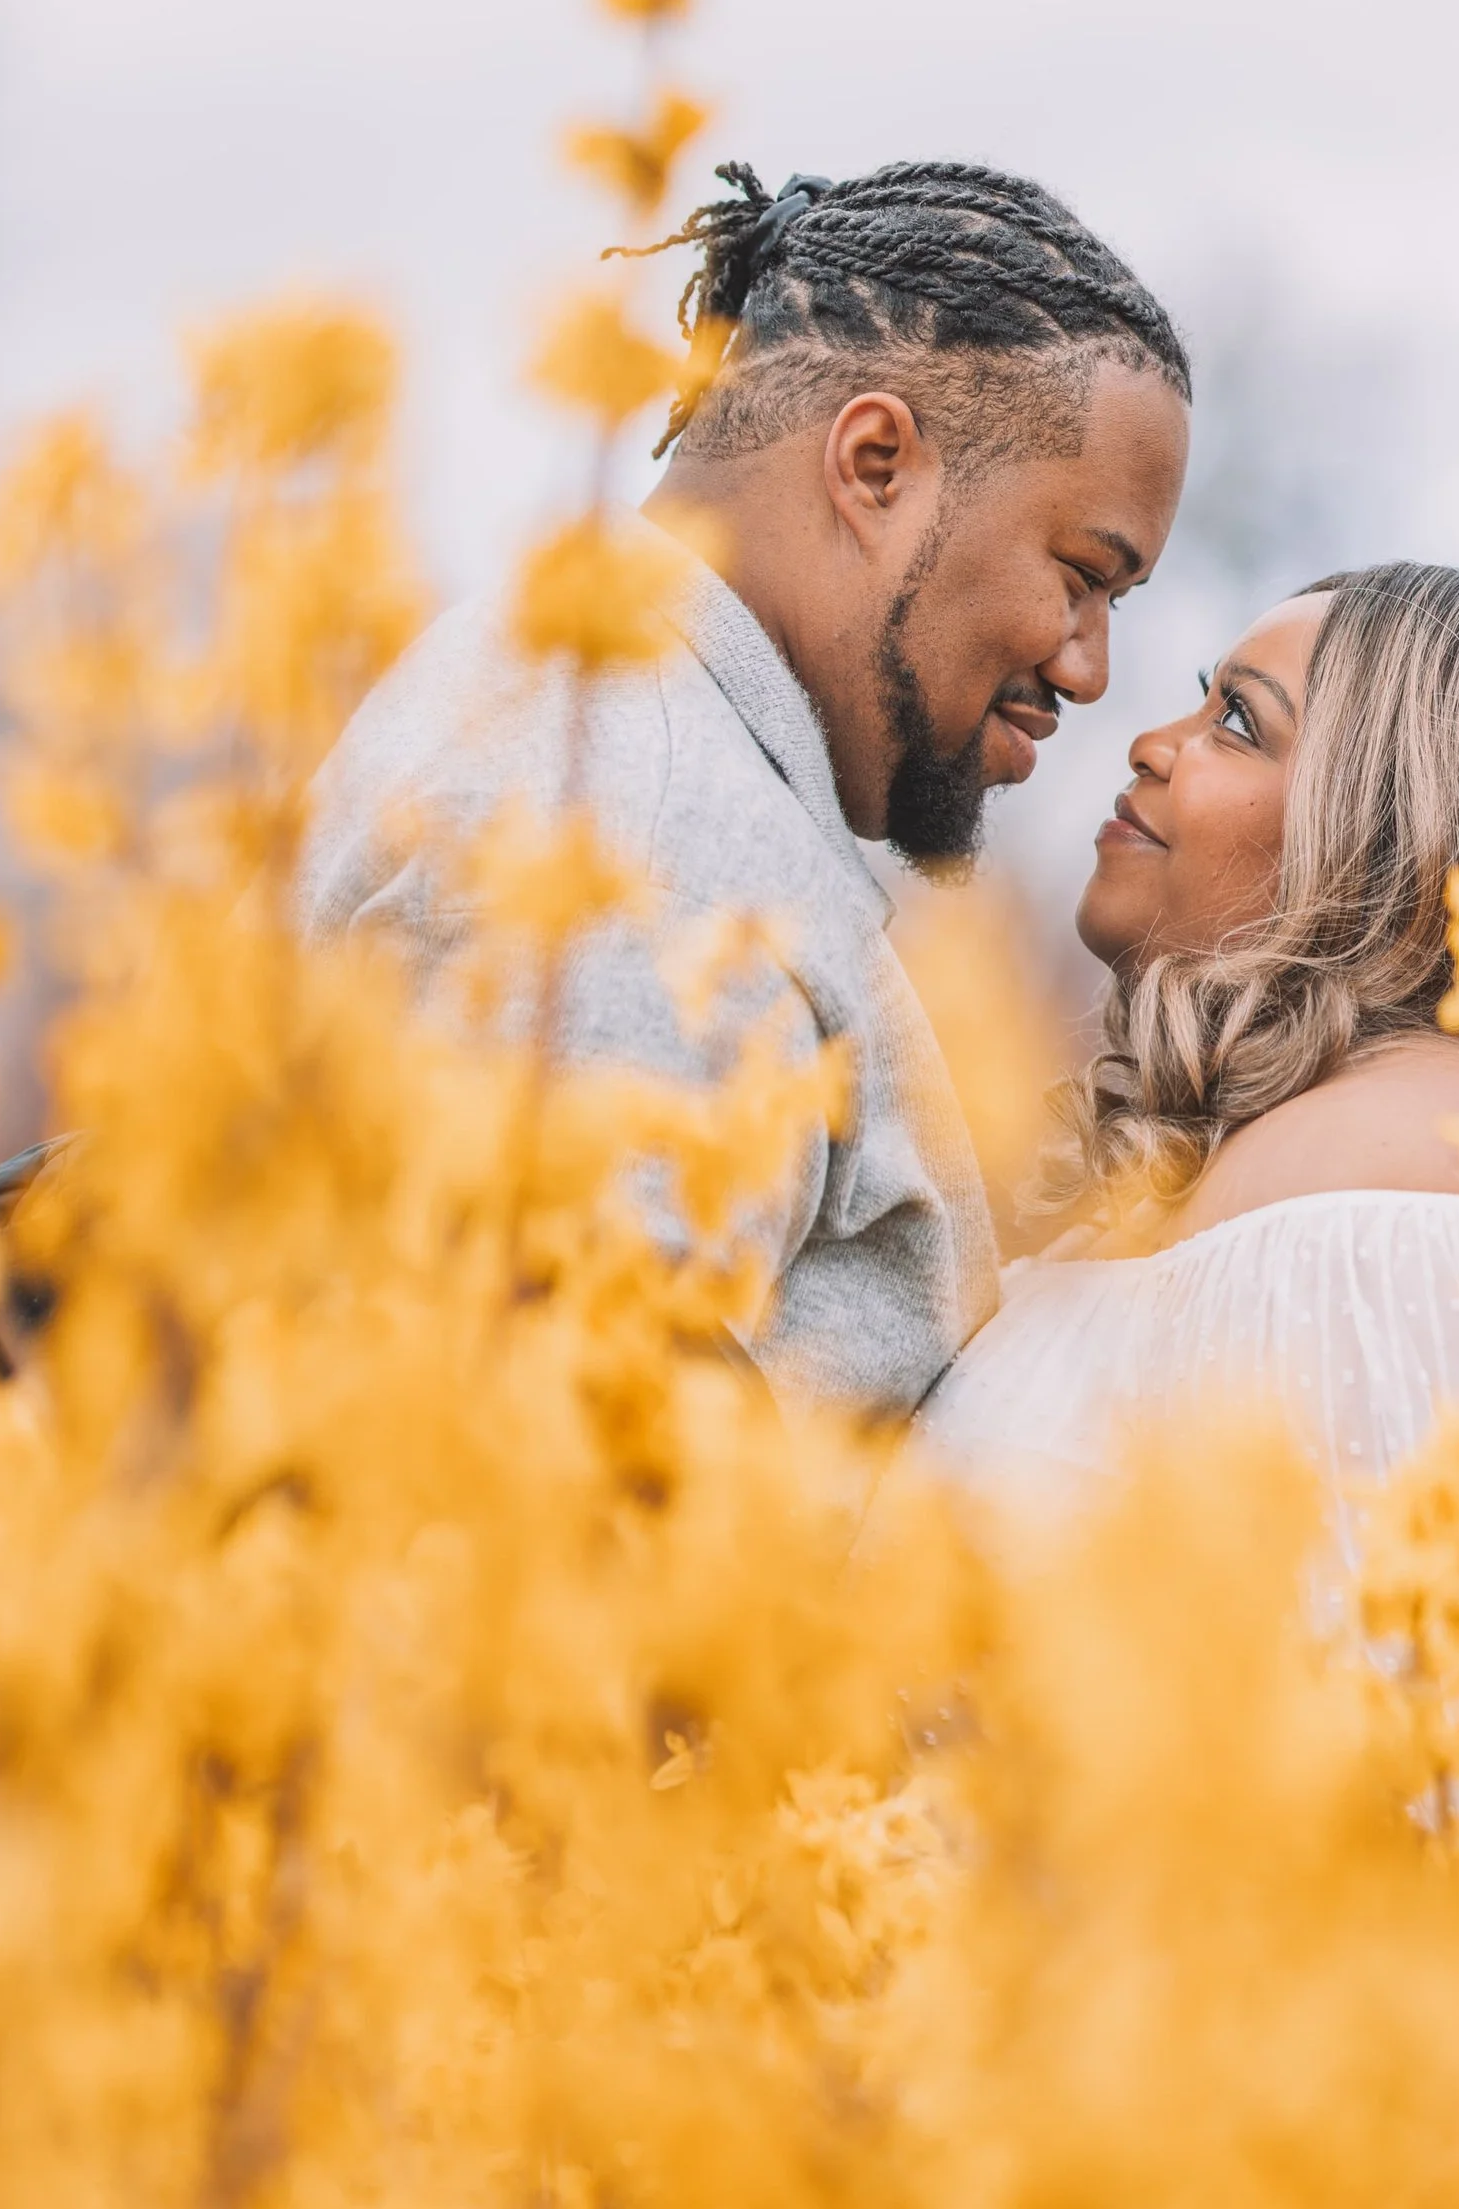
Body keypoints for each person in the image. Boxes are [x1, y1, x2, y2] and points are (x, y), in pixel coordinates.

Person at [300, 161, 1191, 1420]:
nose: (1091, 668)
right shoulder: (649, 843)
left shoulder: (577, 712)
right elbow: (565, 1501)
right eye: (1080, 575)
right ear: (875, 464)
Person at [911, 559, 1459, 1511]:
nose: (1150, 745)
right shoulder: (1264, 1167)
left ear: (1394, 844)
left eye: (1238, 721)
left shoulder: (1428, 1171)